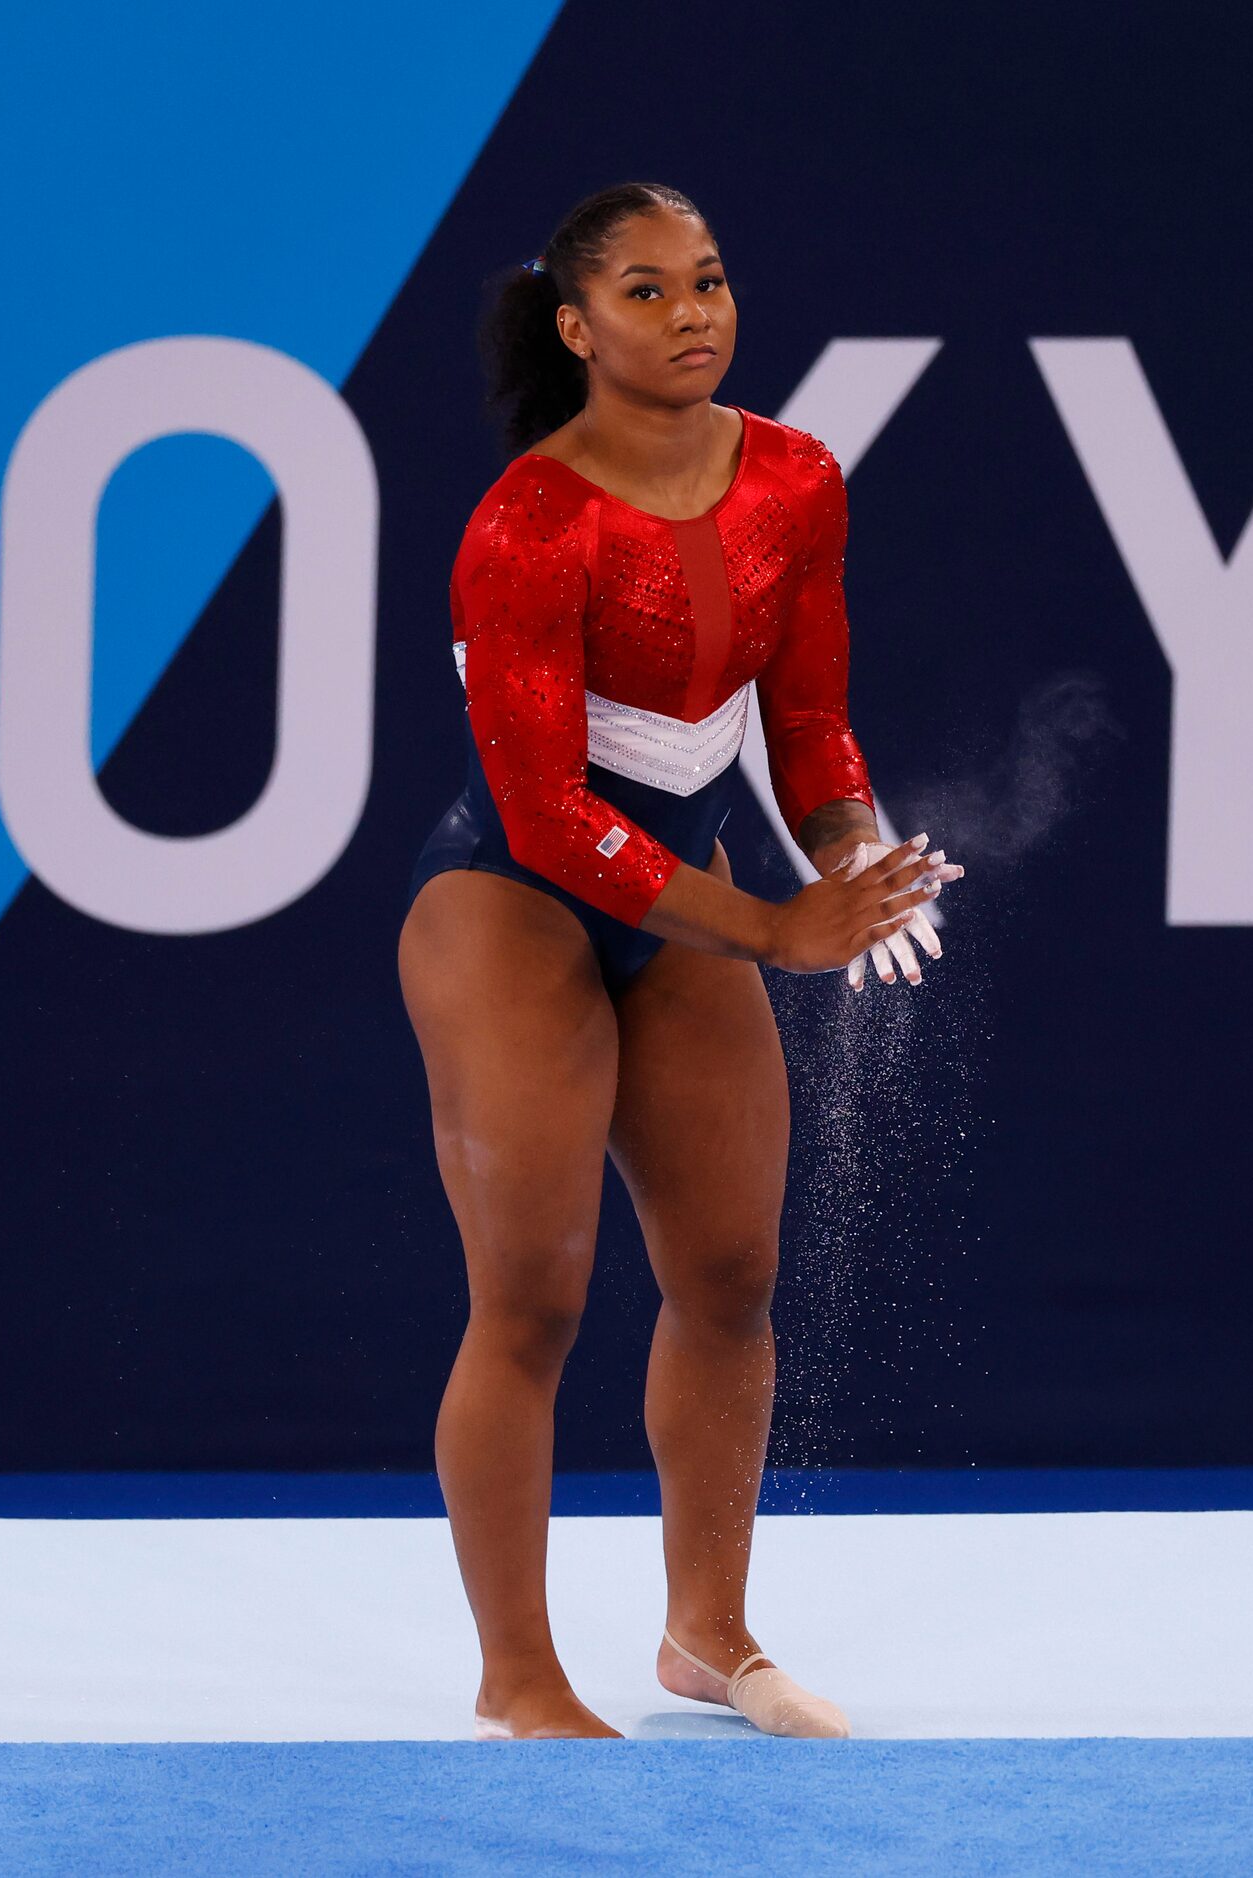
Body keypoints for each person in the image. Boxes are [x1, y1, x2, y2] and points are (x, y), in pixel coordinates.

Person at [398, 180, 961, 1742]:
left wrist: (850, 850)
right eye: (647, 292)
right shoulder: (529, 520)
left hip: (687, 900)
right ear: (575, 327)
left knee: (727, 1274)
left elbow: (807, 722)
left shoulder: (793, 477)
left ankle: (705, 1634)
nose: (693, 312)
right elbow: (548, 813)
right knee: (532, 1295)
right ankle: (518, 1673)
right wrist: (779, 927)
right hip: (510, 908)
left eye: (708, 279)